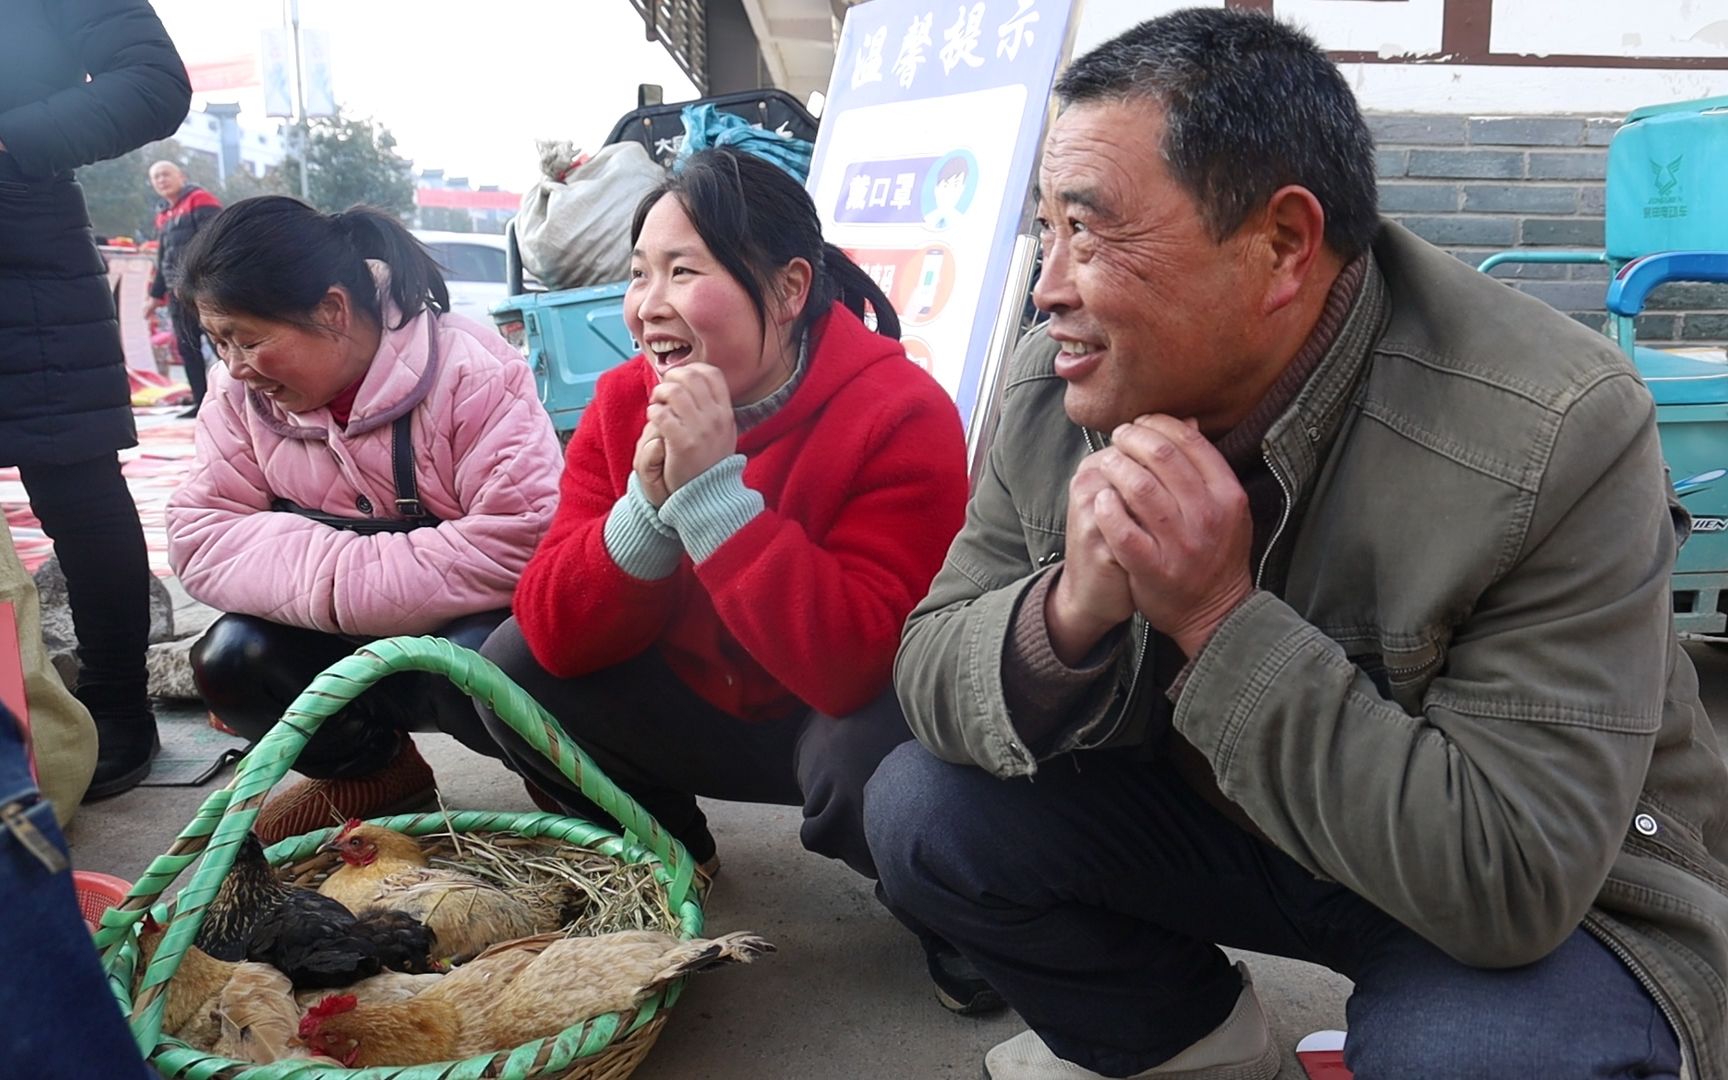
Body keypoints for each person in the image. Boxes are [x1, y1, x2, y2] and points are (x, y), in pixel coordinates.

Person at [867, 10, 1728, 1080]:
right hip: (1242, 830)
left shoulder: (1557, 424)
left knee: (1482, 1057)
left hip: (1532, 895)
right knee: (922, 810)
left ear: (1280, 246)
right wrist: (1066, 612)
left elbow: (1514, 878)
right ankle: (1201, 1053)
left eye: (1089, 232)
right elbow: (929, 660)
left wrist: (1217, 620)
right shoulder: (1060, 383)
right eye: (1045, 231)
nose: (1049, 286)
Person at [476, 147, 982, 1010]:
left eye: (683, 271)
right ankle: (666, 848)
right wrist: (644, 507)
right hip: (706, 705)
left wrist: (712, 498)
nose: (648, 307)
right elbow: (553, 626)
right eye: (638, 274)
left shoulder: (900, 413)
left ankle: (958, 916)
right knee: (510, 669)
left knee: (879, 752)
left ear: (788, 291)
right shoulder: (621, 402)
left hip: (832, 722)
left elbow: (858, 663)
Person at [166, 196, 562, 844]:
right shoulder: (237, 393)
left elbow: (520, 536)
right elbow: (201, 530)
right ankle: (372, 772)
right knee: (234, 658)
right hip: (340, 630)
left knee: (493, 666)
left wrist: (331, 578)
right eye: (219, 342)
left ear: (332, 310)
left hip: (460, 634)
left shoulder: (470, 370)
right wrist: (341, 579)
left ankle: (568, 783)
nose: (235, 366)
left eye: (251, 339)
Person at [0, 0, 193, 801]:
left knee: (76, 487)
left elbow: (153, 82)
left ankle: (117, 705)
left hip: (20, 250)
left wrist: (14, 143)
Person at [144, 160, 221, 418]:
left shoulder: (200, 200)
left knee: (221, 343)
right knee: (188, 348)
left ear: (182, 176)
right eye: (156, 177)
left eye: (166, 174)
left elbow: (215, 241)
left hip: (202, 290)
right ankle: (202, 401)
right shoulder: (164, 214)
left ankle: (237, 399)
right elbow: (163, 258)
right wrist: (155, 297)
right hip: (177, 294)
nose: (161, 180)